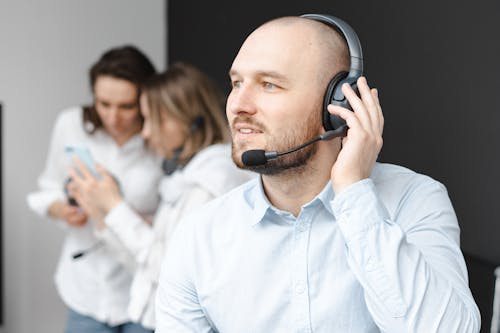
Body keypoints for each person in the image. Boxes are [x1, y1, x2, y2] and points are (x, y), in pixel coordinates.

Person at [154, 14, 481, 332]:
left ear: (339, 102)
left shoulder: (414, 199)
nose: (238, 104)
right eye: (236, 83)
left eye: (269, 84)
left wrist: (354, 191)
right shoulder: (199, 234)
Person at [66, 62, 255, 330]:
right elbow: (147, 266)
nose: (145, 133)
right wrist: (101, 215)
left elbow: (171, 270)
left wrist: (115, 206)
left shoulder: (207, 187)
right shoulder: (183, 181)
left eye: (150, 120)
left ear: (183, 119)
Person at [27, 45, 162, 333]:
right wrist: (63, 210)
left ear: (147, 100)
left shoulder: (161, 138)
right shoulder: (70, 124)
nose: (113, 118)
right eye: (104, 104)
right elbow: (47, 188)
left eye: (126, 106)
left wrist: (119, 210)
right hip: (84, 288)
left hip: (141, 290)